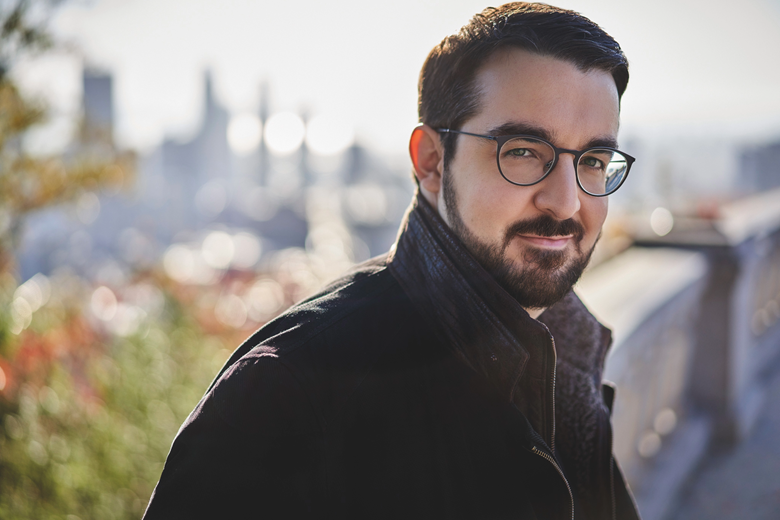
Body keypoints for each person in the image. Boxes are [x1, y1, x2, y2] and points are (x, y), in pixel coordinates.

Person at [143, 3, 641, 519]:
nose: (565, 201)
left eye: (593, 161)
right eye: (522, 151)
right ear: (431, 162)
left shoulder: (568, 361)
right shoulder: (286, 392)